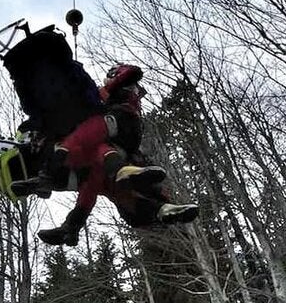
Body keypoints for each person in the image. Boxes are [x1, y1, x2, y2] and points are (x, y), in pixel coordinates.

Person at [14, 63, 198, 244]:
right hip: (114, 152)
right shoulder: (106, 97)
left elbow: (124, 79)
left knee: (93, 144)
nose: (135, 91)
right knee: (94, 182)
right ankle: (72, 224)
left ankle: (60, 180)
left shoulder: (115, 96)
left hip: (119, 129)